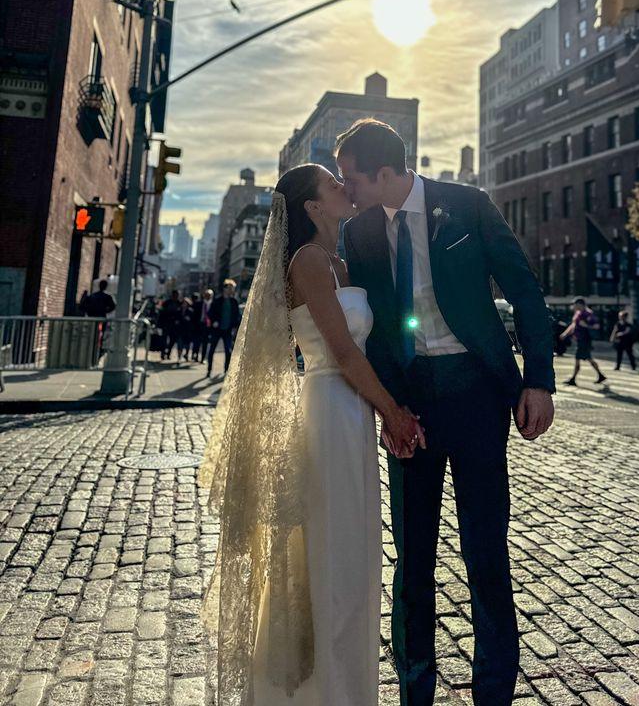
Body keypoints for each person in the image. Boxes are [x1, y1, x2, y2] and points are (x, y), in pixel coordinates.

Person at [337, 119, 556, 706]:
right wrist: (389, 407)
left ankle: (494, 693)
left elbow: (525, 290)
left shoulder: (469, 205)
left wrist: (538, 380)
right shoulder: (357, 233)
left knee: (486, 547)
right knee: (412, 558)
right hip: (411, 404)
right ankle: (415, 693)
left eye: (351, 176)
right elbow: (375, 332)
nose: (345, 187)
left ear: (384, 173)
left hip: (478, 393)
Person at [199, 163, 423, 706]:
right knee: (332, 554)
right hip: (329, 410)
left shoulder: (341, 260)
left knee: (354, 555)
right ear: (312, 207)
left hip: (352, 413)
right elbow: (343, 352)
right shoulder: (307, 261)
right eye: (331, 184)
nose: (345, 187)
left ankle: (345, 687)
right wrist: (393, 413)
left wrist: (387, 407)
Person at [561, 297, 607, 386]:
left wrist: (586, 325)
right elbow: (573, 325)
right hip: (580, 340)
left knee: (578, 359)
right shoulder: (578, 313)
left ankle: (573, 379)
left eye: (575, 304)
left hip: (585, 341)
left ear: (580, 304)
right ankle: (600, 375)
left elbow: (597, 326)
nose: (573, 306)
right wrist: (565, 333)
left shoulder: (588, 314)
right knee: (589, 359)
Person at [206, 280, 241, 378]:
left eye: (232, 288)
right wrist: (214, 321)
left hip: (228, 330)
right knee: (212, 350)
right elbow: (210, 313)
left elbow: (237, 316)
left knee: (228, 351)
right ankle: (209, 370)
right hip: (217, 330)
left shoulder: (234, 302)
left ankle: (226, 370)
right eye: (229, 288)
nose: (231, 290)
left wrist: (235, 327)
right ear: (225, 289)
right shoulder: (217, 300)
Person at [158, 290, 183, 361]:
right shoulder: (167, 303)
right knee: (164, 340)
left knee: (172, 340)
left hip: (175, 326)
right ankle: (163, 353)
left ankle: (168, 353)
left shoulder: (179, 303)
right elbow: (162, 314)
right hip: (166, 324)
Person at [190, 289, 213, 362]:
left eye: (209, 295)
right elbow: (194, 315)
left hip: (207, 326)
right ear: (204, 296)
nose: (208, 297)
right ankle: (195, 355)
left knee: (205, 343)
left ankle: (203, 358)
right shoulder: (198, 304)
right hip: (198, 325)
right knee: (197, 342)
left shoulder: (213, 305)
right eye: (206, 295)